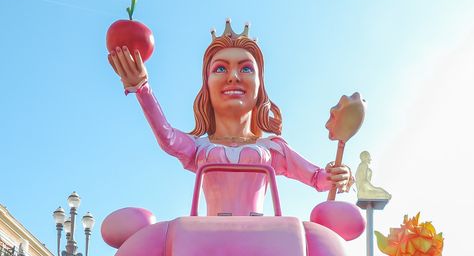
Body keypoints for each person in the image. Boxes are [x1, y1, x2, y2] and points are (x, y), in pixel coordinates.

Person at [108, 20, 352, 218]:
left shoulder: (273, 148)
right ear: (207, 86)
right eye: (221, 69)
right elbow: (168, 138)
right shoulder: (199, 147)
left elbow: (318, 178)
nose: (233, 76)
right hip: (209, 241)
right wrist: (142, 88)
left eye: (246, 68)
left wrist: (339, 175)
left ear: (259, 86)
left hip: (263, 242)